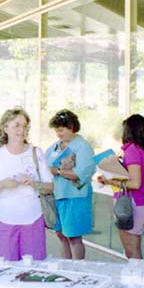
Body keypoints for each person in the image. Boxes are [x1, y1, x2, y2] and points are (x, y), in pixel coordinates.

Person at [0, 108, 54, 261]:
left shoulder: (36, 153)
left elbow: (50, 187)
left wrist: (34, 184)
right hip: (3, 219)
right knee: (6, 268)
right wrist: (3, 184)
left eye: (25, 126)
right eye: (17, 125)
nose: (22, 130)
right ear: (5, 128)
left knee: (34, 267)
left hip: (33, 218)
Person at [99, 114, 144, 259]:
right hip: (137, 204)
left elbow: (135, 183)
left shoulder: (132, 151)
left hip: (130, 206)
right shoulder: (140, 151)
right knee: (134, 251)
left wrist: (110, 181)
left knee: (131, 253)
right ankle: (138, 273)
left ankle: (137, 274)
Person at [46, 109, 95, 260]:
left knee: (73, 236)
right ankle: (66, 265)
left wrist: (58, 171)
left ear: (72, 128)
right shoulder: (55, 147)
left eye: (61, 130)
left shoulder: (83, 147)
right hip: (57, 195)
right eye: (56, 130)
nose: (58, 134)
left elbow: (81, 173)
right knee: (61, 235)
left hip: (75, 197)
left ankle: (78, 267)